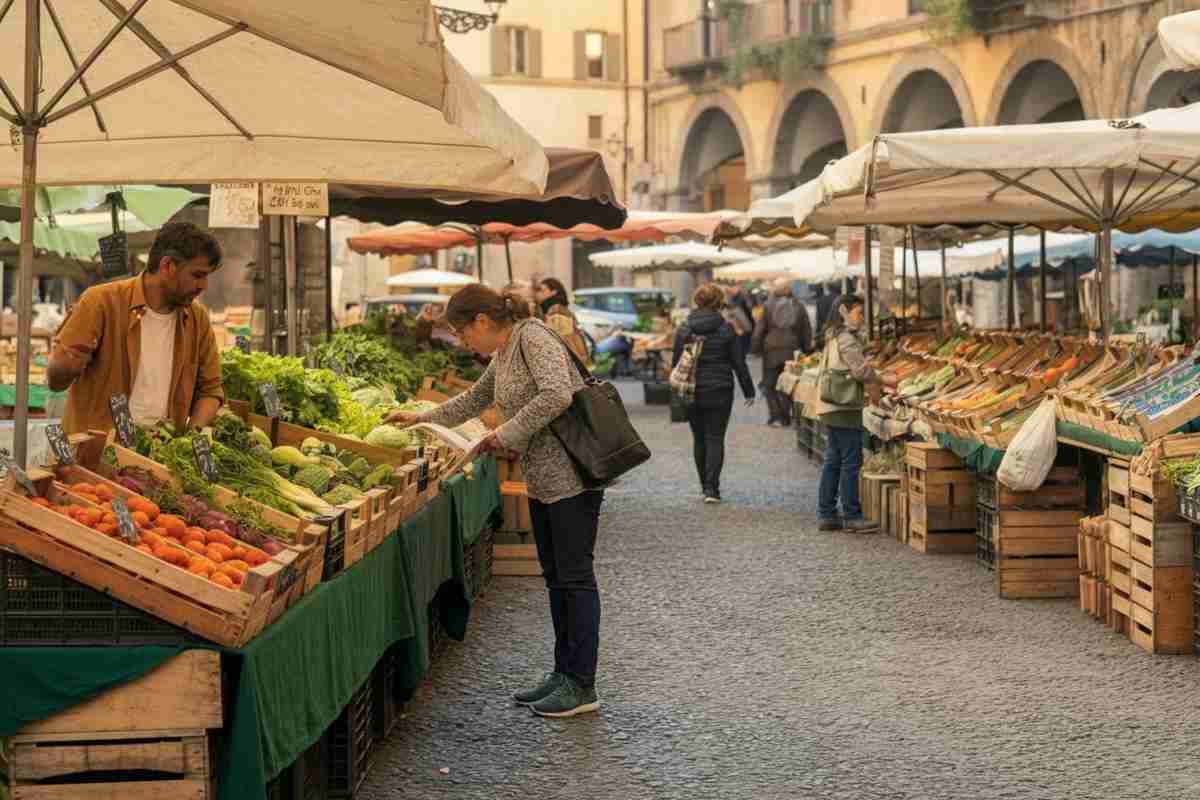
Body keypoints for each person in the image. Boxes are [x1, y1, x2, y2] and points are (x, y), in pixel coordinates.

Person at [383, 285, 603, 719]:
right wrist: (423, 419)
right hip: (544, 478)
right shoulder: (506, 350)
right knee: (557, 577)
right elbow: (476, 398)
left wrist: (505, 434)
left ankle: (582, 683)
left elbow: (557, 394)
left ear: (482, 321)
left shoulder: (532, 336)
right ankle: (563, 674)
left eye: (465, 335)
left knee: (574, 578)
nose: (467, 344)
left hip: (572, 477)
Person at [48, 221, 224, 435]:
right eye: (197, 275)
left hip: (162, 456)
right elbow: (55, 381)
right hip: (98, 457)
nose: (203, 286)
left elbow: (210, 390)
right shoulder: (100, 302)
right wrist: (67, 364)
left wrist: (191, 438)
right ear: (168, 266)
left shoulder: (198, 318)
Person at [672, 283, 755, 504]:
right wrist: (749, 390)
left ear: (696, 301)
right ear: (719, 302)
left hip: (692, 390)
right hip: (720, 390)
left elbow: (676, 364)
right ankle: (712, 489)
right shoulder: (726, 329)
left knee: (698, 438)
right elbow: (739, 362)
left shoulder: (684, 328)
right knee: (715, 437)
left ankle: (703, 486)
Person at [812, 294, 877, 533]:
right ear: (844, 311)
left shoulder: (831, 335)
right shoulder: (846, 338)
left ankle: (827, 513)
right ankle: (852, 516)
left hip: (830, 405)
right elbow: (860, 372)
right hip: (843, 405)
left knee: (834, 459)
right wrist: (877, 373)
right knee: (851, 461)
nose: (862, 317)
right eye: (859, 312)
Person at [752, 277, 813, 428]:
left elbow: (759, 330)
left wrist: (755, 348)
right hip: (792, 350)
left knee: (770, 384)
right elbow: (806, 329)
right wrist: (807, 349)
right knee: (789, 383)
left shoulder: (768, 306)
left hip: (771, 350)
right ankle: (785, 416)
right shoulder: (798, 306)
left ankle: (775, 415)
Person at [534, 277, 589, 362]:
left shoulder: (556, 310)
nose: (538, 293)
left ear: (553, 292)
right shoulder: (551, 309)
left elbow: (562, 340)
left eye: (542, 290)